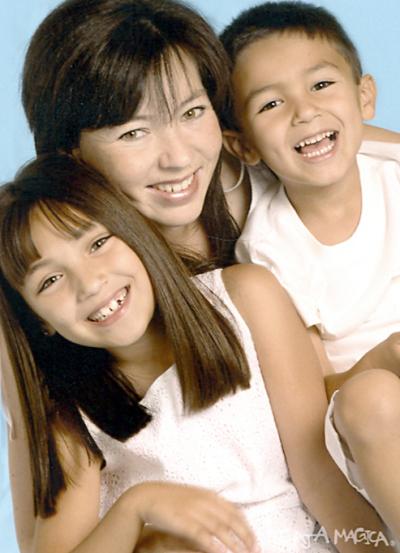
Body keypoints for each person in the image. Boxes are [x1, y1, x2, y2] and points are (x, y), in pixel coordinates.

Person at [0, 154, 394, 553]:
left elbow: (319, 476)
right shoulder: (73, 421)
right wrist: (136, 507)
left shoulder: (244, 298)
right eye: (50, 280)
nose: (89, 284)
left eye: (98, 243)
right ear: (38, 320)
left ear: (134, 232)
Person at [220, 0, 400, 540]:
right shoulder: (270, 247)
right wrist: (385, 357)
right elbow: (319, 391)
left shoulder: (390, 177)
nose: (303, 112)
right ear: (244, 145)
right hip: (368, 430)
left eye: (321, 86)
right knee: (372, 397)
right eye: (271, 103)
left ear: (363, 96)